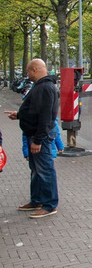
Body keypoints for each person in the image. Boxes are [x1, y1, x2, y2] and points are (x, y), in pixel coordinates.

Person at [5, 59, 60, 219]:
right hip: (35, 135)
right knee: (36, 170)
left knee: (45, 170)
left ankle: (49, 205)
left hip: (39, 137)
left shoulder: (45, 88)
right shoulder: (41, 86)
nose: (27, 74)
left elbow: (45, 117)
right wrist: (20, 115)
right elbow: (35, 110)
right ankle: (36, 200)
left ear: (35, 70)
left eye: (28, 71)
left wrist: (37, 140)